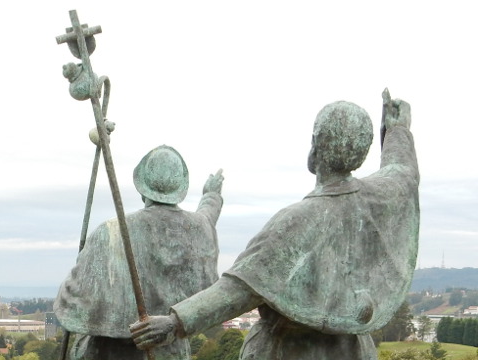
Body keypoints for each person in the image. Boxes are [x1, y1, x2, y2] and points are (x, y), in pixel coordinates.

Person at [130, 91, 420, 360]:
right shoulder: (380, 197)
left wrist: (174, 322)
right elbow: (403, 172)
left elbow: (239, 290)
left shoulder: (297, 221)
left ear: (316, 144)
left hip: (287, 350)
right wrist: (397, 130)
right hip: (353, 350)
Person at [54, 144, 224, 360]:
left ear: (142, 188)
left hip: (112, 353)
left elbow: (73, 305)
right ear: (179, 189)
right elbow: (207, 217)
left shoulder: (111, 232)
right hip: (171, 353)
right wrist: (212, 194)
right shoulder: (199, 229)